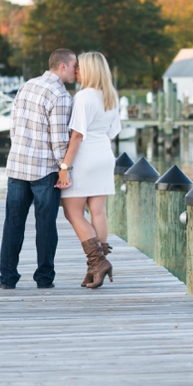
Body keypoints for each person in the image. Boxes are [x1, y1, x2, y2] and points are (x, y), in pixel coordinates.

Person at [0, 48, 77, 289]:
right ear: (63, 66)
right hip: (45, 169)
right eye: (74, 66)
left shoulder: (26, 86)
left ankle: (7, 278)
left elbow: (14, 127)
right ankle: (44, 278)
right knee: (45, 225)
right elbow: (59, 140)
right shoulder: (60, 96)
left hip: (18, 165)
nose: (76, 71)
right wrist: (65, 167)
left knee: (13, 223)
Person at [55, 52, 122, 289]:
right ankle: (95, 267)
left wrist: (64, 167)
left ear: (90, 70)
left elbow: (77, 135)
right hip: (105, 153)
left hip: (85, 156)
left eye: (80, 67)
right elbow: (113, 131)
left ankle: (98, 262)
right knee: (98, 212)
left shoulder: (84, 96)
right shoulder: (111, 96)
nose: (76, 71)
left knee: (72, 212)